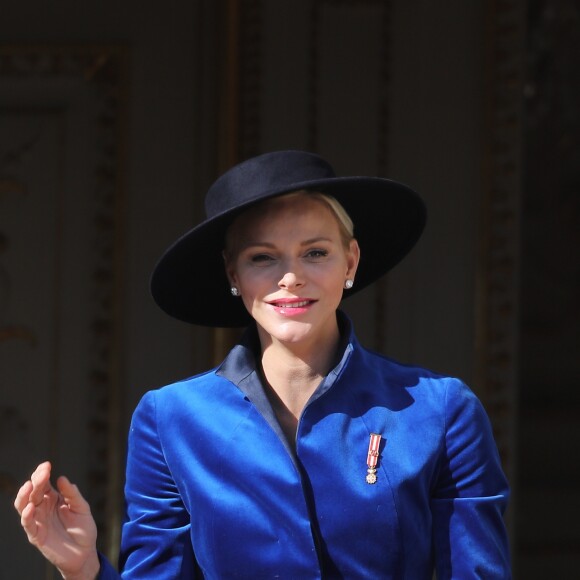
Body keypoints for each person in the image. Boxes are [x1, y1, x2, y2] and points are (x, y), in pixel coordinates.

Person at [15, 150, 511, 579]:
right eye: (262, 258)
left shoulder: (441, 410)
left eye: (315, 252)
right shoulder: (170, 419)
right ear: (234, 273)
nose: (291, 277)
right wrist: (82, 569)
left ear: (351, 262)